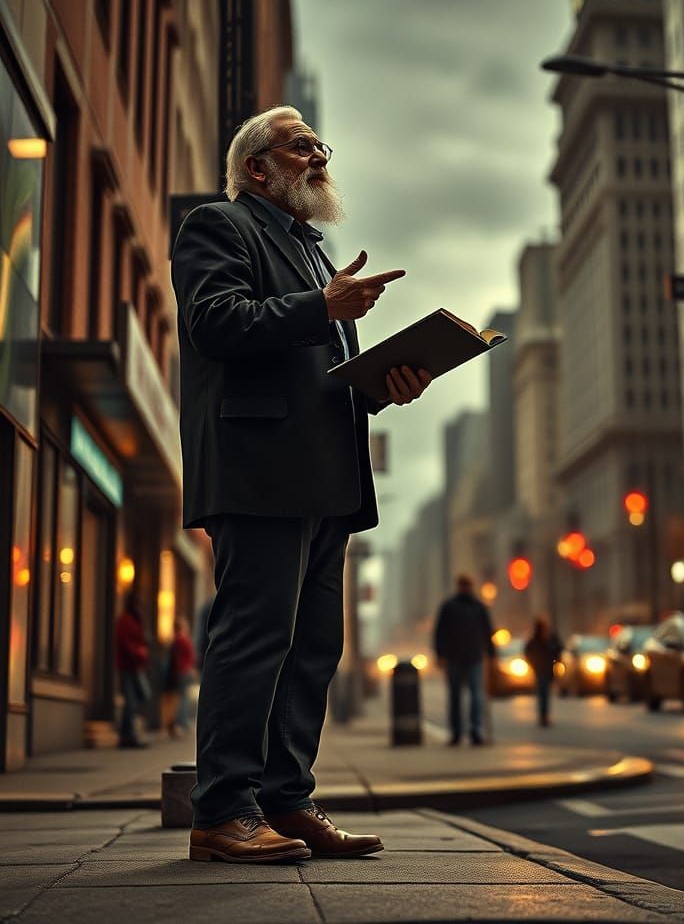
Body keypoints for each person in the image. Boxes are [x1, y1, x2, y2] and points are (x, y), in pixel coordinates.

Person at [171, 105, 432, 864]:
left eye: (321, 145)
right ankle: (223, 811)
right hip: (259, 472)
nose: (320, 156)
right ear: (257, 167)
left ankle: (287, 800)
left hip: (326, 480)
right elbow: (216, 323)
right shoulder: (218, 226)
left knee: (314, 648)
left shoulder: (315, 254)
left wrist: (386, 385)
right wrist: (322, 307)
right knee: (254, 639)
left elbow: (323, 372)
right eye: (301, 146)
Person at [433, 574, 495, 746]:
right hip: (454, 658)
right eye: (463, 585)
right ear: (458, 586)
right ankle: (456, 732)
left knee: (476, 695)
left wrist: (491, 654)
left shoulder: (479, 607)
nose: (465, 588)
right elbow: (440, 632)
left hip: (474, 657)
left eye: (467, 585)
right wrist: (440, 654)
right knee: (455, 696)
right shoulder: (449, 607)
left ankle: (476, 730)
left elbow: (488, 632)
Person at [115, 591, 151, 749]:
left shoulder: (136, 620)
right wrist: (139, 652)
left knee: (140, 698)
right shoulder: (125, 620)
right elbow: (125, 642)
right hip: (128, 666)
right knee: (131, 701)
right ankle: (127, 735)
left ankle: (127, 733)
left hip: (137, 666)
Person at [524, 615, 563, 727]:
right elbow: (528, 651)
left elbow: (558, 649)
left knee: (545, 691)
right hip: (540, 668)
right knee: (543, 691)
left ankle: (544, 714)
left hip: (548, 668)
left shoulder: (551, 637)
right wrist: (533, 663)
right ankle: (543, 715)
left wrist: (556, 660)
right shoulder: (536, 639)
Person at [165, 616, 197, 737]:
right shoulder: (182, 639)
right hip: (183, 671)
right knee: (183, 698)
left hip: (181, 671)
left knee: (182, 697)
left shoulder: (175, 640)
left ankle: (180, 722)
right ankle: (180, 722)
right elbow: (189, 656)